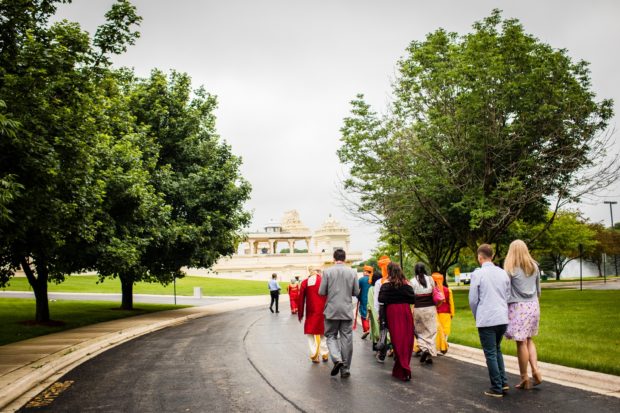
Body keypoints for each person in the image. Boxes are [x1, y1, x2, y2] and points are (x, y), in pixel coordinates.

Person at [469, 244, 511, 398]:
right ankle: (503, 382)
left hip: (487, 318)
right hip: (502, 317)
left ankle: (496, 387)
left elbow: (473, 299)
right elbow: (507, 295)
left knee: (491, 353)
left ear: (480, 257)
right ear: (492, 256)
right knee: (497, 349)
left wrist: (477, 314)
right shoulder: (502, 273)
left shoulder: (478, 274)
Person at [503, 239, 543, 390]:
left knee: (521, 342)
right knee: (529, 339)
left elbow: (506, 291)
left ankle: (524, 377)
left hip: (518, 307)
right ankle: (536, 371)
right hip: (534, 305)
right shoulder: (534, 266)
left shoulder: (510, 268)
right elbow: (539, 291)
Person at [318, 249, 360, 378]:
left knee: (330, 336)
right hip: (346, 309)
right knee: (346, 339)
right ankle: (345, 369)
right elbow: (356, 292)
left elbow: (321, 292)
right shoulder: (352, 272)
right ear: (345, 258)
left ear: (334, 258)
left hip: (331, 309)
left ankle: (337, 359)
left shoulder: (327, 272)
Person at [378, 262, 416, 381]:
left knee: (397, 340)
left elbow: (381, 299)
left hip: (392, 312)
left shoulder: (386, 285)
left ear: (389, 271)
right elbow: (412, 299)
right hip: (405, 311)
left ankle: (403, 367)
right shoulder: (406, 284)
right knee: (407, 339)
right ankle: (405, 366)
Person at [298, 268, 329, 363]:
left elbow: (301, 299)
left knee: (311, 333)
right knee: (323, 332)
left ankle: (314, 354)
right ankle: (324, 353)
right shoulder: (324, 280)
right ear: (319, 271)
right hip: (324, 310)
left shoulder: (305, 282)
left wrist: (300, 313)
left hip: (311, 311)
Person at [411, 263, 437, 364]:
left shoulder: (412, 281)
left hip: (418, 309)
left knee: (419, 331)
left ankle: (424, 349)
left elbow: (411, 296)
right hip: (430, 308)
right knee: (431, 331)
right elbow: (434, 291)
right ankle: (429, 352)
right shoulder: (430, 279)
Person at [373, 255, 392, 362]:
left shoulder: (379, 282)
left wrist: (378, 314)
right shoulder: (397, 279)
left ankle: (382, 355)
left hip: (383, 309)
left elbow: (377, 300)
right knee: (395, 330)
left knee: (383, 332)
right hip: (395, 308)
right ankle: (395, 350)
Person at [433, 272, 455, 354]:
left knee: (437, 331)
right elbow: (451, 303)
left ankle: (439, 346)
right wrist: (452, 313)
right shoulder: (448, 290)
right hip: (446, 313)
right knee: (445, 331)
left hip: (435, 313)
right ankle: (444, 345)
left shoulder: (432, 291)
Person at [366, 268, 382, 353]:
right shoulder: (383, 286)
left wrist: (368, 313)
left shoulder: (371, 289)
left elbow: (369, 303)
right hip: (382, 311)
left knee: (375, 328)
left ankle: (376, 347)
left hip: (374, 312)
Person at [357, 266, 373, 339]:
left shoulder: (361, 279)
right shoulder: (373, 279)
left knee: (364, 315)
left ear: (366, 272)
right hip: (373, 300)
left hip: (364, 300)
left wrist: (358, 297)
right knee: (373, 315)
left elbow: (356, 290)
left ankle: (366, 330)